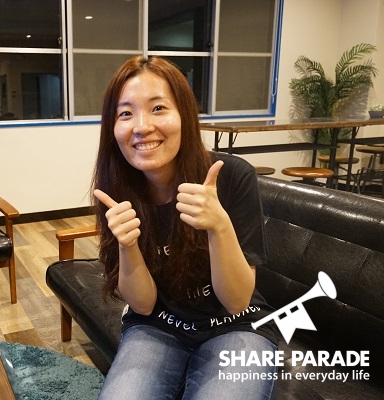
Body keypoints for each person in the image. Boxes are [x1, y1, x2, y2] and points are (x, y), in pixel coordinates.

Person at [92, 56, 279, 400]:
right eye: (126, 113)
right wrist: (127, 244)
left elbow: (238, 301)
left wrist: (219, 225)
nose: (142, 126)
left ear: (185, 117)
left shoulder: (232, 176)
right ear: (112, 127)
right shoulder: (115, 192)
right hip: (157, 327)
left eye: (159, 107)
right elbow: (144, 305)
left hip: (238, 326)